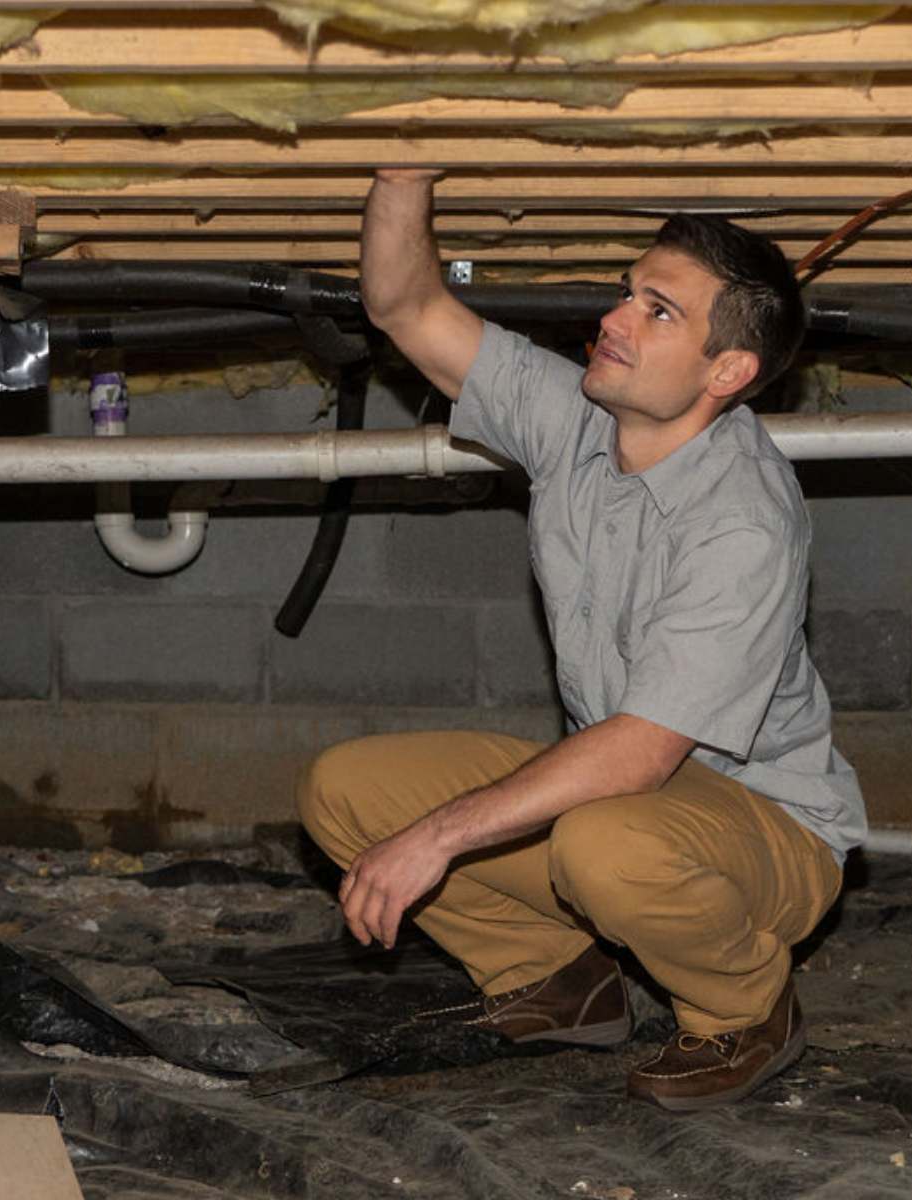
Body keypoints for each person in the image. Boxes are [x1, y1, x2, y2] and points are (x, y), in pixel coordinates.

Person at [296, 168, 866, 1111]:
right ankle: (558, 981)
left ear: (727, 374)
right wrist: (402, 163)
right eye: (627, 292)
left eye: (659, 312)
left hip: (765, 830)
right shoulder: (579, 417)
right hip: (623, 795)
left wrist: (436, 840)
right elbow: (403, 304)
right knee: (345, 793)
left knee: (600, 847)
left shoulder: (743, 521)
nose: (617, 319)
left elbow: (642, 752)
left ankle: (744, 1010)